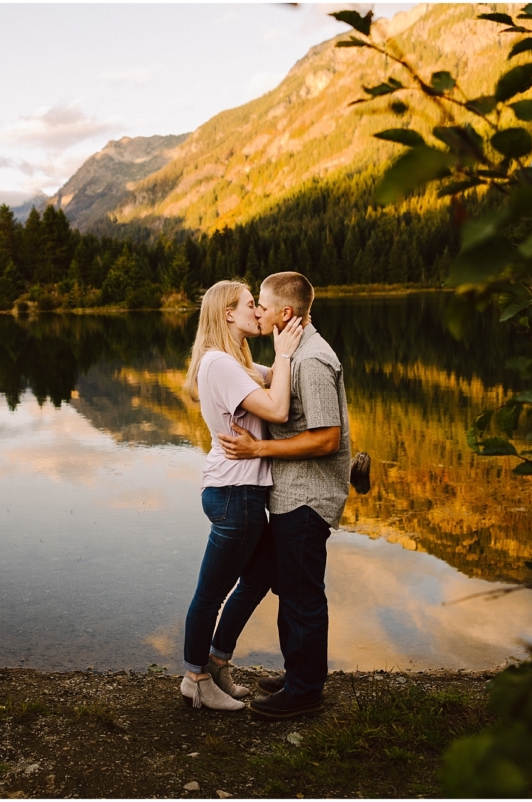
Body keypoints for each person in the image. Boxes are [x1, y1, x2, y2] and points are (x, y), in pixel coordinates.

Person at [217, 271, 351, 720]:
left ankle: (305, 691)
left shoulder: (311, 360)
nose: (257, 311)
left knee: (302, 593)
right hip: (292, 494)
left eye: (263, 306)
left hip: (308, 497)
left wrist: (259, 448)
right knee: (290, 586)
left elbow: (327, 438)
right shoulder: (295, 354)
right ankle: (299, 674)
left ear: (285, 313)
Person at [178, 279, 304, 711]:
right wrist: (284, 353)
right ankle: (195, 678)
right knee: (211, 593)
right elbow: (278, 408)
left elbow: (285, 382)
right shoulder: (220, 364)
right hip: (235, 493)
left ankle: (216, 662)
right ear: (228, 313)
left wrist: (299, 346)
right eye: (252, 305)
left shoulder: (239, 364)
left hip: (241, 492)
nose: (260, 311)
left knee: (259, 576)